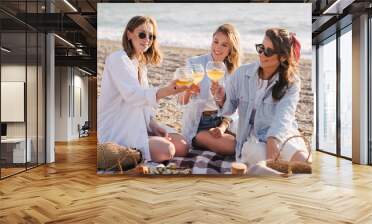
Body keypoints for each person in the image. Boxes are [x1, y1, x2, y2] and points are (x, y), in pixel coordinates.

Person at [98, 16, 189, 163]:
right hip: (119, 129)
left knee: (183, 146)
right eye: (142, 34)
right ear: (129, 34)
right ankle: (130, 151)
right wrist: (167, 90)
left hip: (138, 124)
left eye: (151, 36)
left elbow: (143, 105)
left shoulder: (141, 65)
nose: (147, 39)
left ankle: (148, 140)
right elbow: (134, 96)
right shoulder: (118, 59)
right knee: (168, 150)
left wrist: (153, 125)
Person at [212, 27, 309, 163]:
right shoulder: (241, 74)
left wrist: (272, 139)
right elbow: (229, 109)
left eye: (268, 51)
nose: (262, 54)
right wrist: (222, 98)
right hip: (252, 136)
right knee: (259, 159)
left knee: (302, 162)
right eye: (261, 48)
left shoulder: (291, 82)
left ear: (282, 57)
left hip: (281, 131)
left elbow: (284, 116)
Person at [181, 24, 241, 156]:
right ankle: (203, 141)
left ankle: (212, 143)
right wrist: (188, 91)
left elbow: (234, 108)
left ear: (231, 49)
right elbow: (182, 102)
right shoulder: (194, 63)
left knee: (243, 143)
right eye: (216, 42)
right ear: (212, 40)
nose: (218, 48)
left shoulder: (233, 71)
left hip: (221, 122)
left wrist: (222, 127)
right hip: (200, 123)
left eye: (224, 45)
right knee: (233, 147)